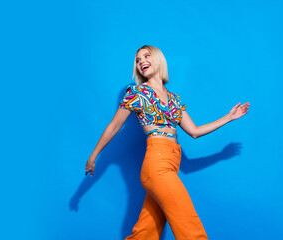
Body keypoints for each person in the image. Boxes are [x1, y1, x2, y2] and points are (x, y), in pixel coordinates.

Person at [85, 45, 250, 239]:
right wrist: (93, 156)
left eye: (146, 56)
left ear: (158, 59)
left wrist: (228, 117)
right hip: (156, 163)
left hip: (171, 163)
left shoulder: (174, 99)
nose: (141, 62)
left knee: (146, 232)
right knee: (188, 222)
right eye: (138, 60)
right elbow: (114, 126)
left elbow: (194, 131)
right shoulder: (137, 93)